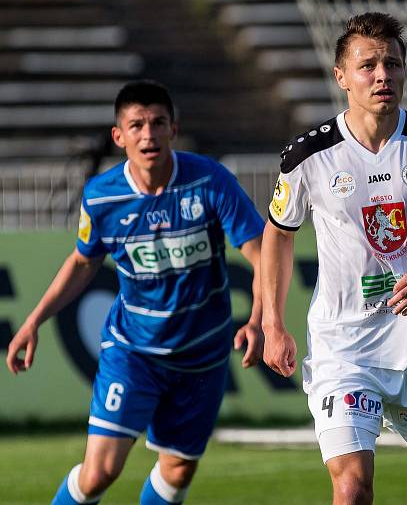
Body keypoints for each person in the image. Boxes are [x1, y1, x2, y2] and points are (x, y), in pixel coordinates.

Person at [261, 12, 407, 505]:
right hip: (344, 350)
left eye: (392, 64)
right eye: (368, 65)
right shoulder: (310, 157)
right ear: (341, 76)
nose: (382, 74)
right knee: (352, 488)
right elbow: (277, 236)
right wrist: (272, 324)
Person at [6, 80, 265, 505]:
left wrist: (259, 319)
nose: (149, 135)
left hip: (203, 354)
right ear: (119, 136)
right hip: (134, 351)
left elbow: (261, 255)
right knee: (100, 472)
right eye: (137, 125)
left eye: (158, 123)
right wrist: (34, 320)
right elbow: (83, 261)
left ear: (173, 129)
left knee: (177, 470)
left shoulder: (210, 181)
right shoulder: (102, 197)